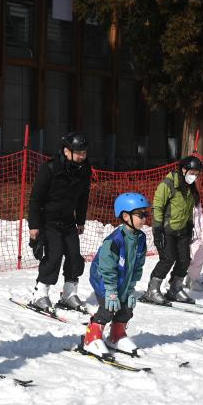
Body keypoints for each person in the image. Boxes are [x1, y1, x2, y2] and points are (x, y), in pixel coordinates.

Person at [27, 132, 91, 313]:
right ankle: (40, 294)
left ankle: (69, 294)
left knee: (74, 256)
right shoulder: (50, 168)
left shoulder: (84, 169)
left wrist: (80, 219)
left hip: (68, 220)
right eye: (78, 152)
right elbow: (35, 198)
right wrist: (34, 225)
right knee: (54, 256)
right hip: (48, 220)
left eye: (84, 152)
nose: (82, 156)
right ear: (66, 151)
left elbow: (83, 196)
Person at [83, 193, 150, 361]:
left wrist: (131, 288)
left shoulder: (140, 238)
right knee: (108, 307)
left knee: (126, 306)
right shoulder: (114, 240)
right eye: (140, 215)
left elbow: (138, 266)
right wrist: (111, 291)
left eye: (146, 214)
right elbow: (106, 269)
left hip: (123, 281)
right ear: (126, 216)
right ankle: (91, 337)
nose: (144, 219)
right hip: (104, 280)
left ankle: (116, 336)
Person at [142, 155, 203, 305]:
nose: (194, 176)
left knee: (184, 260)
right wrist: (157, 229)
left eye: (197, 174)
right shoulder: (168, 184)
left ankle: (174, 289)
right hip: (166, 229)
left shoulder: (190, 188)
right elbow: (158, 206)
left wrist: (190, 227)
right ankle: (152, 289)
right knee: (168, 258)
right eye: (192, 173)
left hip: (183, 230)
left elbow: (189, 209)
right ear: (183, 170)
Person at [184, 196, 203, 292]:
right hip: (182, 235)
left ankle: (192, 279)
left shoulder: (196, 199)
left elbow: (200, 216)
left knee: (199, 258)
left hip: (196, 236)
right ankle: (174, 279)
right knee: (181, 259)